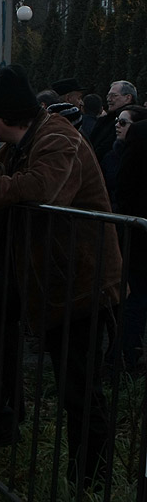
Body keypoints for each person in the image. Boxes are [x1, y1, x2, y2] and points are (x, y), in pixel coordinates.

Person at [0, 65, 122, 485]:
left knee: (79, 391)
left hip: (79, 285)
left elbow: (41, 187)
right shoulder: (23, 139)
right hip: (37, 274)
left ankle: (91, 480)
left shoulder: (57, 138)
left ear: (4, 116)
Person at [115, 115, 147, 372]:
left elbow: (124, 185)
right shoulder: (139, 133)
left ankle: (127, 359)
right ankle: (127, 358)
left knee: (134, 297)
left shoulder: (138, 134)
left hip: (137, 233)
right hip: (138, 233)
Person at [89, 80, 137, 165]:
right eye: (108, 96)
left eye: (114, 96)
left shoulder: (132, 118)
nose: (109, 99)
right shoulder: (107, 118)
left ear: (128, 98)